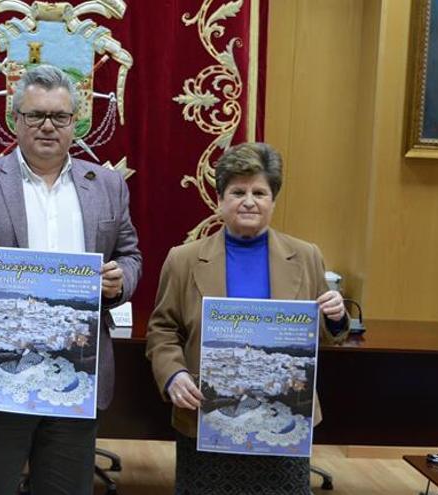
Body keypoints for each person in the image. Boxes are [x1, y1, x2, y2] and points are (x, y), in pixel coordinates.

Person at [0, 64, 142, 494]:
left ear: (74, 123)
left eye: (59, 117)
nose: (48, 126)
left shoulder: (107, 185)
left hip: (75, 379)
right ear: (15, 120)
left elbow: (130, 255)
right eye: (35, 115)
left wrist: (121, 281)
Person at [145, 142, 349, 495]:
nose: (249, 201)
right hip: (207, 415)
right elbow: (162, 330)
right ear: (220, 200)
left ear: (274, 200)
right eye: (238, 191)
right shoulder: (183, 259)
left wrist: (336, 316)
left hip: (282, 418)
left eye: (260, 192)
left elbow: (327, 336)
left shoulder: (306, 256)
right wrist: (173, 374)